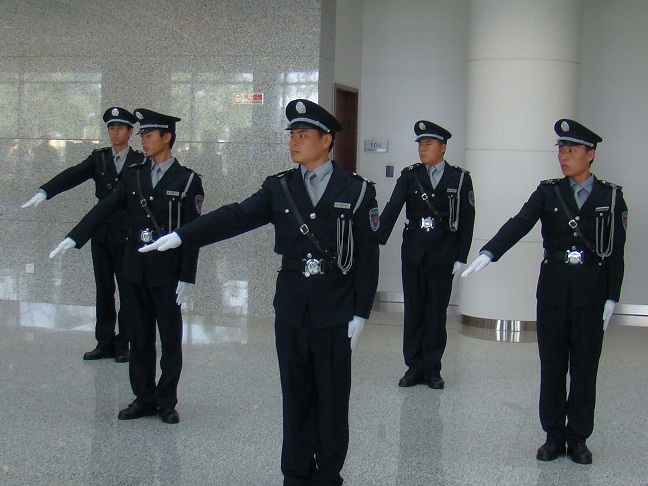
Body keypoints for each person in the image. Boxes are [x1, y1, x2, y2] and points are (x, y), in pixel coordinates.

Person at [140, 99, 380, 484]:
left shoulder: (357, 190)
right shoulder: (280, 187)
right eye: (292, 135)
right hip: (292, 305)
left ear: (326, 140)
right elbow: (235, 216)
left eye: (303, 135)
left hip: (335, 306)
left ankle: (329, 475)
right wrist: (183, 235)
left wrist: (361, 311)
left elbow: (367, 256)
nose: (294, 142)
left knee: (333, 399)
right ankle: (296, 474)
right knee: (295, 395)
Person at [462, 119, 628, 465]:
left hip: (591, 293)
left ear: (590, 154)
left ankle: (578, 437)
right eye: (561, 150)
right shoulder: (548, 192)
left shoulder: (611, 197)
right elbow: (519, 223)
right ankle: (553, 435)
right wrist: (489, 252)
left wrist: (612, 296)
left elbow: (616, 252)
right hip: (553, 292)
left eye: (572, 150)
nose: (564, 156)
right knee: (552, 366)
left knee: (584, 369)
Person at [49, 108, 204, 424]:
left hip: (167, 273)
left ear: (167, 137)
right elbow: (105, 208)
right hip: (135, 269)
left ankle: (166, 401)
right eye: (142, 134)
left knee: (170, 340)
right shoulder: (134, 175)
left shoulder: (187, 180)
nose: (144, 140)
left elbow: (193, 232)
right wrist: (76, 237)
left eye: (150, 135)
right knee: (140, 337)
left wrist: (187, 276)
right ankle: (143, 398)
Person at [22, 107, 144, 363]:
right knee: (104, 289)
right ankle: (104, 342)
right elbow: (74, 174)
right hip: (100, 232)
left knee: (128, 290)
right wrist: (46, 191)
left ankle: (124, 343)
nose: (115, 132)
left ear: (130, 132)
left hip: (126, 233)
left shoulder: (139, 161)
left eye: (120, 128)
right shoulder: (99, 158)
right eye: (111, 128)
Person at [378, 121, 475, 389]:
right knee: (414, 311)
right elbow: (393, 206)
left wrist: (461, 255)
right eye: (420, 144)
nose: (422, 149)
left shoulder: (459, 178)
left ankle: (432, 369)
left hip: (444, 253)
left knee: (436, 312)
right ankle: (413, 367)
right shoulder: (410, 176)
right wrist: (375, 239)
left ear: (442, 147)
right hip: (414, 252)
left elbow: (467, 219)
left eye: (428, 144)